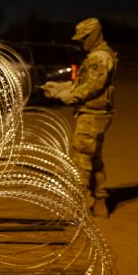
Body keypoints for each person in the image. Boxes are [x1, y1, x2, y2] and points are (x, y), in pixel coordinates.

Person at [42, 17, 117, 218]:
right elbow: (85, 83)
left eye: (83, 38)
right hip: (96, 113)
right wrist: (60, 88)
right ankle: (101, 202)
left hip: (93, 114)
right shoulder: (99, 55)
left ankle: (77, 207)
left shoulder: (98, 57)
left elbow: (94, 86)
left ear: (94, 35)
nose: (81, 43)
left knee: (81, 159)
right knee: (95, 159)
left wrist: (71, 96)